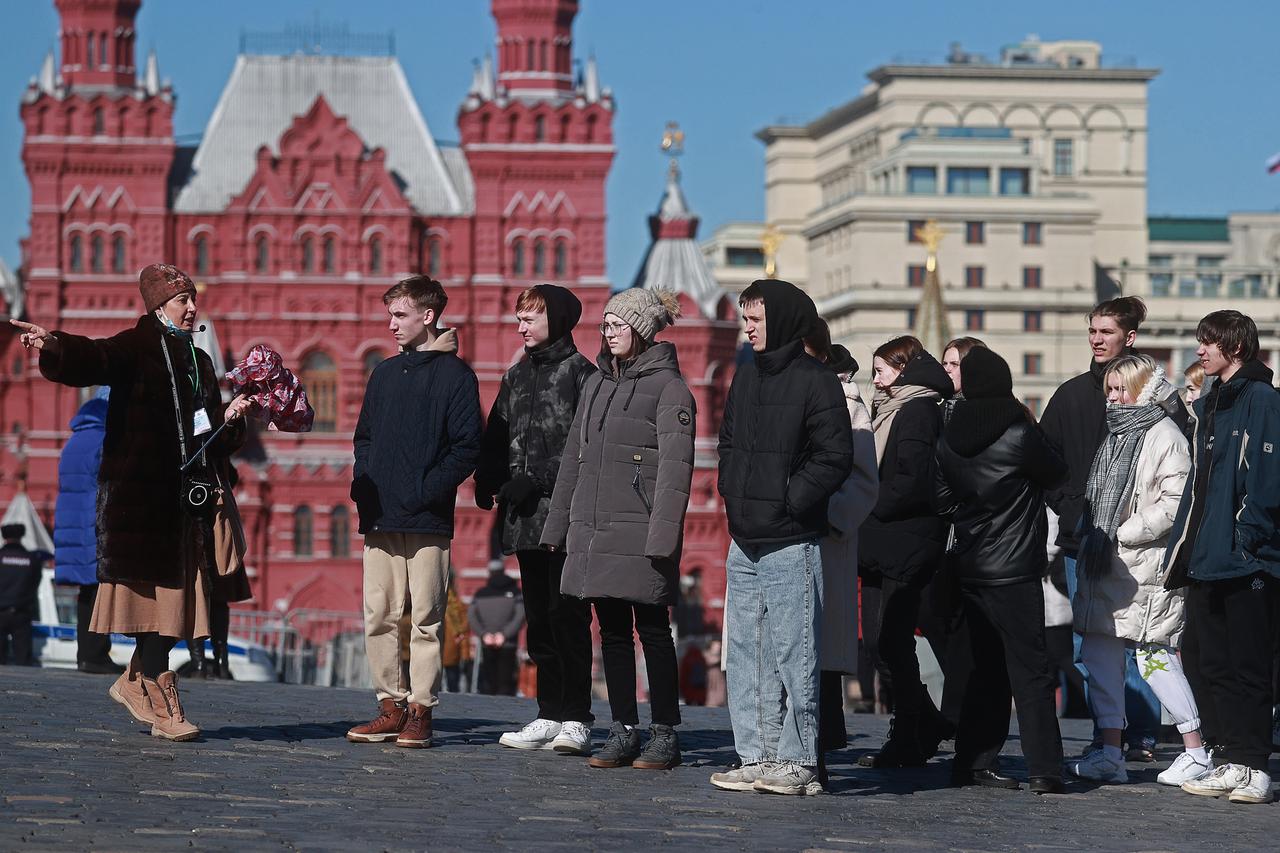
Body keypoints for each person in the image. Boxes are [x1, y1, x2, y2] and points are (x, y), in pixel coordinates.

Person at [11, 264, 253, 740]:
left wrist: (230, 418)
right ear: (158, 305)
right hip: (142, 503)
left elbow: (209, 437)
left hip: (187, 506)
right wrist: (55, 344)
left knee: (180, 610)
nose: (191, 307)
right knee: (154, 607)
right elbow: (96, 358)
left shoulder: (200, 363)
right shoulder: (135, 347)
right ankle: (159, 697)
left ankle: (135, 682)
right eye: (182, 300)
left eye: (192, 298)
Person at [541, 287, 695, 771]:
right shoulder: (596, 385)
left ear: (641, 331)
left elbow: (676, 471)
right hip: (595, 530)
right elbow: (574, 459)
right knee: (610, 632)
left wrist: (663, 538)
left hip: (643, 531)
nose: (608, 334)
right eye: (605, 326)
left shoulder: (671, 389)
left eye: (617, 325)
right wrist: (558, 525)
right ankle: (624, 729)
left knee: (652, 631)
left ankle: (665, 732)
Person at [711, 279, 853, 796]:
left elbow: (835, 456)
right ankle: (758, 755)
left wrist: (791, 500)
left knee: (795, 652)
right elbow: (728, 442)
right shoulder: (745, 377)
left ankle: (798, 760)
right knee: (746, 652)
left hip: (791, 538)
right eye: (746, 320)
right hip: (743, 537)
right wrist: (732, 493)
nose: (746, 329)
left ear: (784, 321)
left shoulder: (818, 381)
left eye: (754, 320)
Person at [347, 275, 482, 749]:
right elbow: (364, 437)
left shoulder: (456, 376)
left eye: (400, 315)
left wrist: (428, 490)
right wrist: (365, 484)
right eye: (390, 315)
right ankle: (391, 705)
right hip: (380, 514)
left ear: (428, 316)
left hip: (426, 517)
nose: (391, 324)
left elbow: (468, 447)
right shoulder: (383, 374)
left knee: (426, 618)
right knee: (378, 614)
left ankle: (421, 710)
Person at [1067, 354, 1211, 787]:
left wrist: (1125, 531)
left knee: (1155, 657)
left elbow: (1175, 501)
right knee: (1100, 656)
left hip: (1142, 566)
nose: (1112, 397)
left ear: (1143, 388)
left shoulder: (1163, 434)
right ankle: (1111, 750)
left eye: (1120, 389)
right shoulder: (1115, 434)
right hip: (1105, 563)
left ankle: (1196, 749)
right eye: (1109, 389)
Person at [934, 347, 1069, 795]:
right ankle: (1045, 768)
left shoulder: (949, 436)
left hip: (971, 564)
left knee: (982, 669)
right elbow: (1057, 470)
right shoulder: (1017, 430)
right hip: (1014, 568)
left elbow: (941, 498)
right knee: (1030, 670)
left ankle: (971, 763)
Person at [1039, 296, 1167, 759]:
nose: (1096, 339)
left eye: (1106, 332)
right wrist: (1072, 512)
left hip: (1136, 541)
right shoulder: (1070, 395)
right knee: (1088, 643)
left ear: (1128, 338)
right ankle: (1106, 734)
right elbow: (1045, 462)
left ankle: (1143, 734)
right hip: (1081, 538)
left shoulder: (1157, 400)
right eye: (1093, 331)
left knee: (1135, 639)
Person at [475, 284, 596, 754]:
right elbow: (497, 434)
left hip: (564, 520)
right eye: (519, 318)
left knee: (568, 617)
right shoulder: (515, 376)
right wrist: (486, 479)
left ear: (558, 320)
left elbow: (584, 448)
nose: (520, 326)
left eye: (530, 318)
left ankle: (577, 717)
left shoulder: (582, 375)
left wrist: (536, 480)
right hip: (525, 521)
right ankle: (548, 713)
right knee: (540, 621)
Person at [1165, 311, 1279, 804]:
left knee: (1249, 665)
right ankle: (1232, 758)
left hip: (1248, 558)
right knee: (1210, 663)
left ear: (1234, 346)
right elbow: (1199, 485)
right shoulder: (1210, 403)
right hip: (1207, 556)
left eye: (1207, 343)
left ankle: (1256, 766)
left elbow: (1269, 478)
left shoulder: (1262, 399)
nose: (1199, 351)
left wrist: (1247, 535)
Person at [858, 335, 953, 768]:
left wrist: (863, 502)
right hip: (883, 541)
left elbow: (910, 481)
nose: (875, 381)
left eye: (881, 371)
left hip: (904, 540)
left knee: (890, 641)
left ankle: (909, 732)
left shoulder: (916, 411)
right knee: (881, 643)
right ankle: (924, 723)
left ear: (904, 370)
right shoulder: (894, 409)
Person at [804, 321, 878, 786]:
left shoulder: (847, 401)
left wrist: (830, 516)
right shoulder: (768, 388)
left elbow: (862, 478)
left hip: (822, 536)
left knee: (818, 649)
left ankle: (817, 751)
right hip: (775, 537)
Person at [52, 388, 123, 675]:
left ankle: (87, 654)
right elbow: (112, 478)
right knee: (99, 589)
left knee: (87, 589)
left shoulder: (76, 439)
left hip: (74, 523)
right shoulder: (104, 439)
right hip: (94, 521)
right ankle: (95, 654)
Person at [469, 564, 525, 696]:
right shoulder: (516, 593)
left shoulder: (480, 593)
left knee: (489, 681)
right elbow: (520, 616)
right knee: (506, 682)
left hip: (487, 642)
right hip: (508, 643)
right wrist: (504, 635)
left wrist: (484, 635)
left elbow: (472, 616)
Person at [0, 524, 42, 666]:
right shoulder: (31, 559)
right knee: (23, 661)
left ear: (4, 536)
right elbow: (36, 583)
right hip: (21, 613)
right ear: (21, 536)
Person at [441, 580, 474, 694]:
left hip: (445, 650)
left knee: (442, 681)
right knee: (453, 682)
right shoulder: (458, 605)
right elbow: (464, 629)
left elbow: (464, 629)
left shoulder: (455, 606)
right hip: (452, 649)